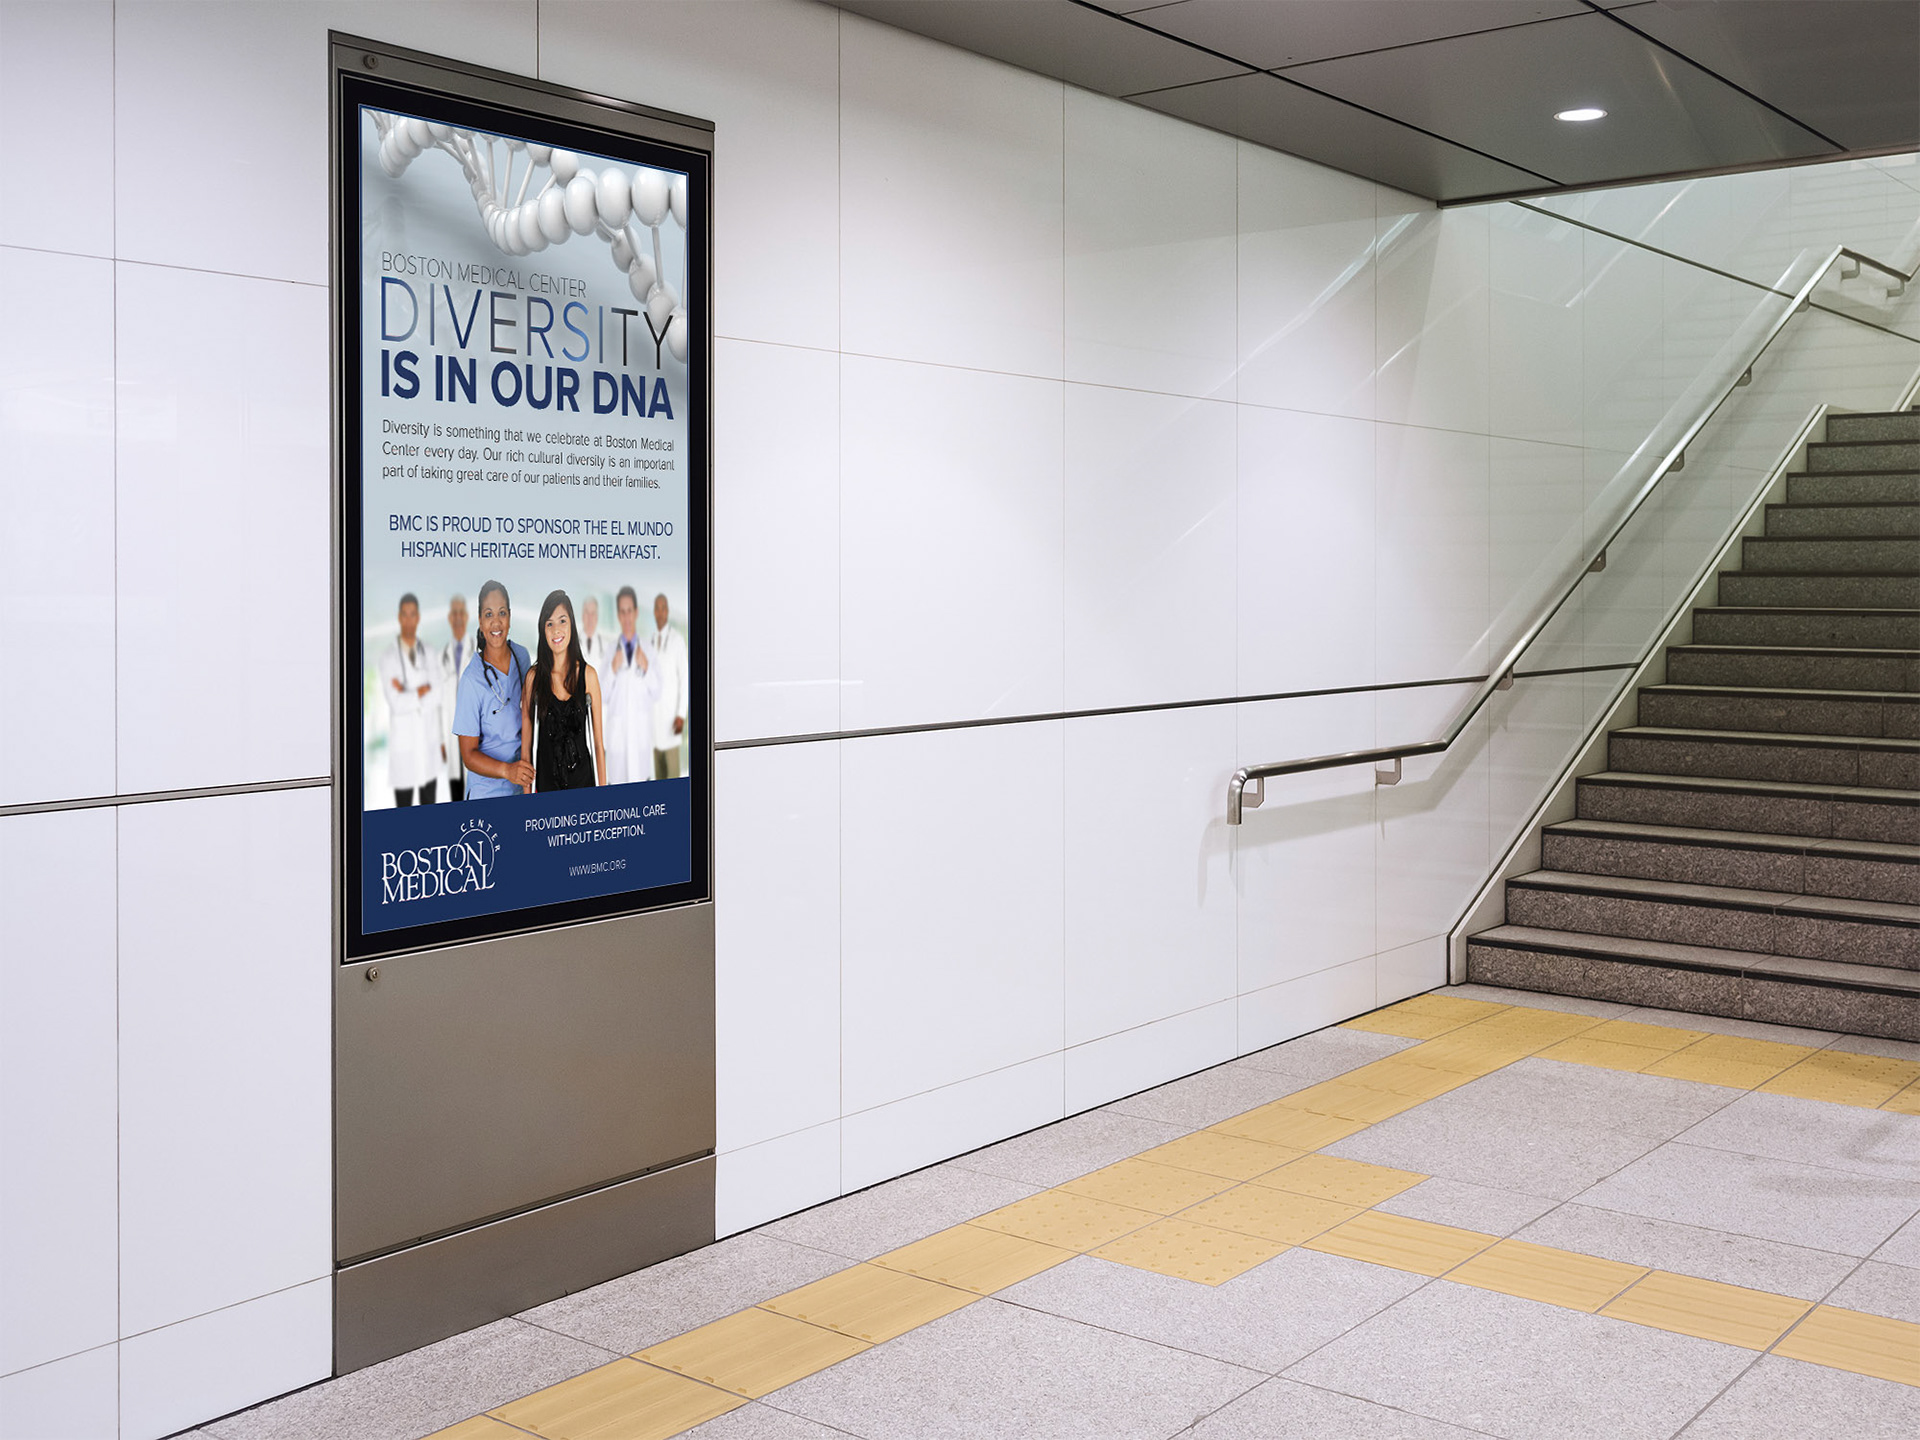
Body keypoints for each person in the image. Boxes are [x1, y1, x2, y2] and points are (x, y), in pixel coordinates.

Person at [452, 580, 535, 798]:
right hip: (486, 794)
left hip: (521, 787)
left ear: (509, 617)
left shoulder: (522, 657)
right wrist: (507, 770)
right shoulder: (471, 680)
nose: (496, 622)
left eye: (502, 613)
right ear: (480, 621)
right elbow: (468, 755)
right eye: (489, 615)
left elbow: (529, 712)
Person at [521, 590, 606, 791]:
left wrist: (604, 796)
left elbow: (598, 745)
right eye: (549, 624)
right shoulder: (533, 678)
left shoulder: (588, 676)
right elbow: (526, 750)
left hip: (584, 788)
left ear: (572, 625)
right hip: (546, 790)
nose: (556, 630)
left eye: (562, 621)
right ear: (543, 630)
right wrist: (526, 800)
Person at [377, 593, 439, 806]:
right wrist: (422, 690)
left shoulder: (429, 652)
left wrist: (407, 692)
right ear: (399, 617)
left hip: (427, 750)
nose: (409, 619)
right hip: (404, 751)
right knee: (403, 815)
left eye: (413, 614)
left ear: (418, 617)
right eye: (405, 614)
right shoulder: (388, 657)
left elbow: (436, 693)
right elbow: (395, 702)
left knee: (429, 815)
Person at [604, 585, 660, 784]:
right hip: (618, 741)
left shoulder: (649, 650)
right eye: (622, 611)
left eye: (630, 611)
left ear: (636, 613)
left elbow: (657, 692)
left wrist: (646, 668)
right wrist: (612, 668)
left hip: (640, 738)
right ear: (618, 615)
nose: (626, 617)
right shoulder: (611, 651)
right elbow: (601, 694)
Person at [646, 592, 690, 779]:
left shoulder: (677, 641)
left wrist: (681, 714)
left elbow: (684, 679)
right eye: (657, 608)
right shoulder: (649, 641)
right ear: (654, 612)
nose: (661, 612)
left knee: (672, 777)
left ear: (668, 611)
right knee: (658, 781)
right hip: (654, 724)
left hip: (671, 722)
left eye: (664, 608)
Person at [438, 593, 471, 802]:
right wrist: (440, 740)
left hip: (473, 736)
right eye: (454, 613)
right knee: (456, 793)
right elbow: (438, 704)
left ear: (467, 617)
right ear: (450, 618)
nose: (458, 617)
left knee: (474, 792)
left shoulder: (477, 651)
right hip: (450, 736)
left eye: (461, 612)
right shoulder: (442, 656)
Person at [578, 595, 608, 677]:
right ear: (582, 615)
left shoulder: (606, 646)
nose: (590, 617)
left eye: (593, 613)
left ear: (597, 617)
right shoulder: (572, 643)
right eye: (587, 612)